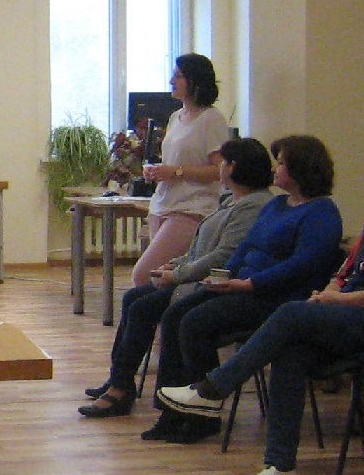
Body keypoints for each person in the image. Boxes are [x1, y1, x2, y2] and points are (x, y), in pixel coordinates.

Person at [137, 133, 364, 466]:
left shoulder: (322, 213)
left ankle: (204, 412)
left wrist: (250, 283)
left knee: (195, 322)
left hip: (275, 295)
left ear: (301, 169)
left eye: (282, 163)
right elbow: (246, 248)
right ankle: (171, 411)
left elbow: (302, 266)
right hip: (243, 285)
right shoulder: (276, 205)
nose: (275, 168)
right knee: (175, 313)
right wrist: (225, 277)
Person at [77, 135, 279, 418]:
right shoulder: (230, 201)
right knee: (134, 298)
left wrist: (178, 274)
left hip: (210, 284)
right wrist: (174, 264)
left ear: (233, 167)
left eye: (223, 163)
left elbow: (223, 256)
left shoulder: (254, 206)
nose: (219, 168)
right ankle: (119, 379)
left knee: (143, 307)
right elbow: (200, 249)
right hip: (193, 278)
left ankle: (123, 390)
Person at [130, 53, 246, 265]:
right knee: (161, 276)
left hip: (192, 208)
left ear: (195, 81)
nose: (171, 81)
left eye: (178, 76)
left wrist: (176, 171)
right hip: (163, 204)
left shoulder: (211, 119)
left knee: (143, 273)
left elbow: (219, 170)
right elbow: (175, 160)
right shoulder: (175, 117)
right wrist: (158, 171)